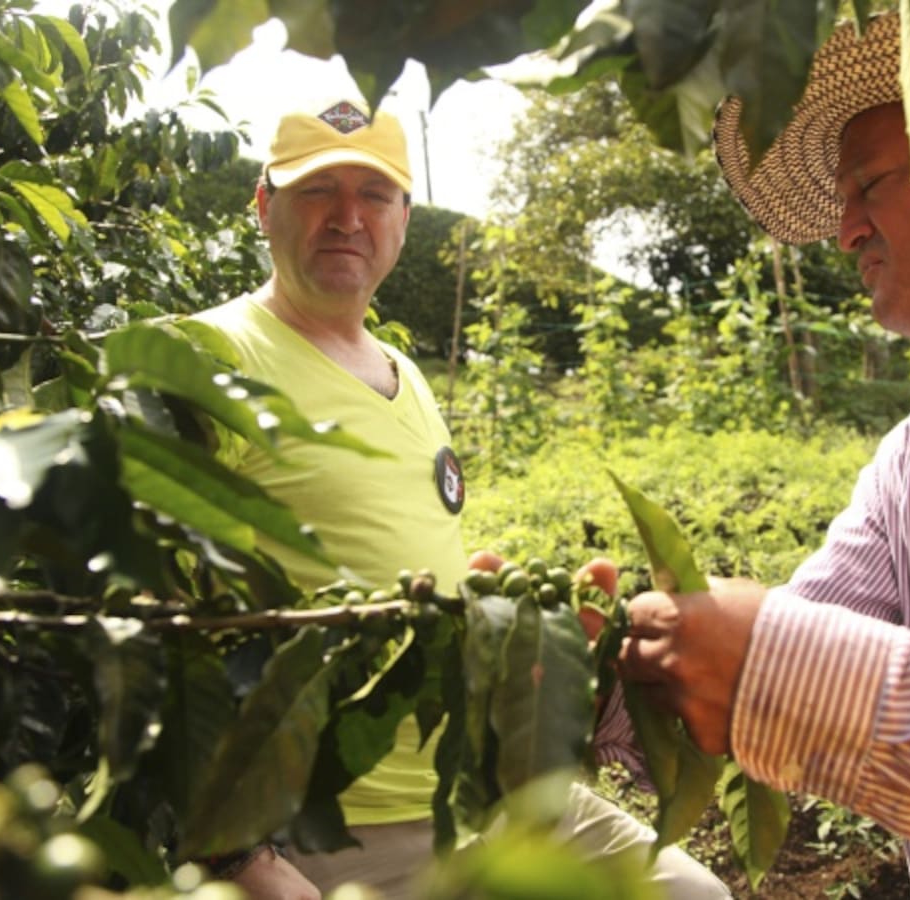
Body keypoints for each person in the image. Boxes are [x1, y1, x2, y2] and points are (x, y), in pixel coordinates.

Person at [184, 99, 731, 898]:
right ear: (264, 206)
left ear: (405, 216)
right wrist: (238, 858)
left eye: (373, 195)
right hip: (327, 830)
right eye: (315, 191)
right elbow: (142, 623)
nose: (347, 217)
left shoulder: (406, 380)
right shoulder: (204, 358)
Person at [617, 6, 910, 899]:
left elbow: (785, 655)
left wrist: (775, 667)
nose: (846, 231)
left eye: (870, 186)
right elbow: (813, 620)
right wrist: (580, 671)